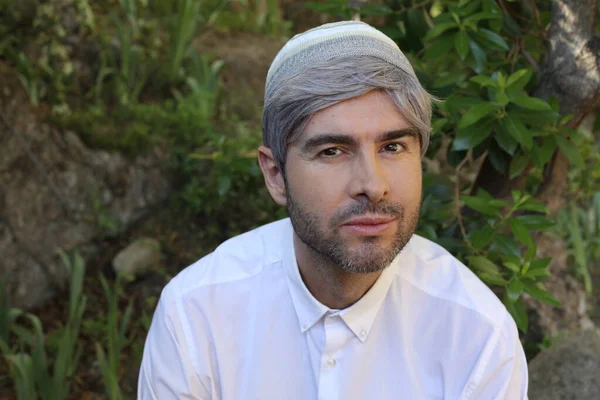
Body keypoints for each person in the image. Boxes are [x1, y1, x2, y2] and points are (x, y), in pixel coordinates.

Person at [138, 20, 528, 399]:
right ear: (275, 175)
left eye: (392, 147)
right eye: (332, 151)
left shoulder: (477, 336)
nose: (373, 186)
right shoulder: (195, 316)